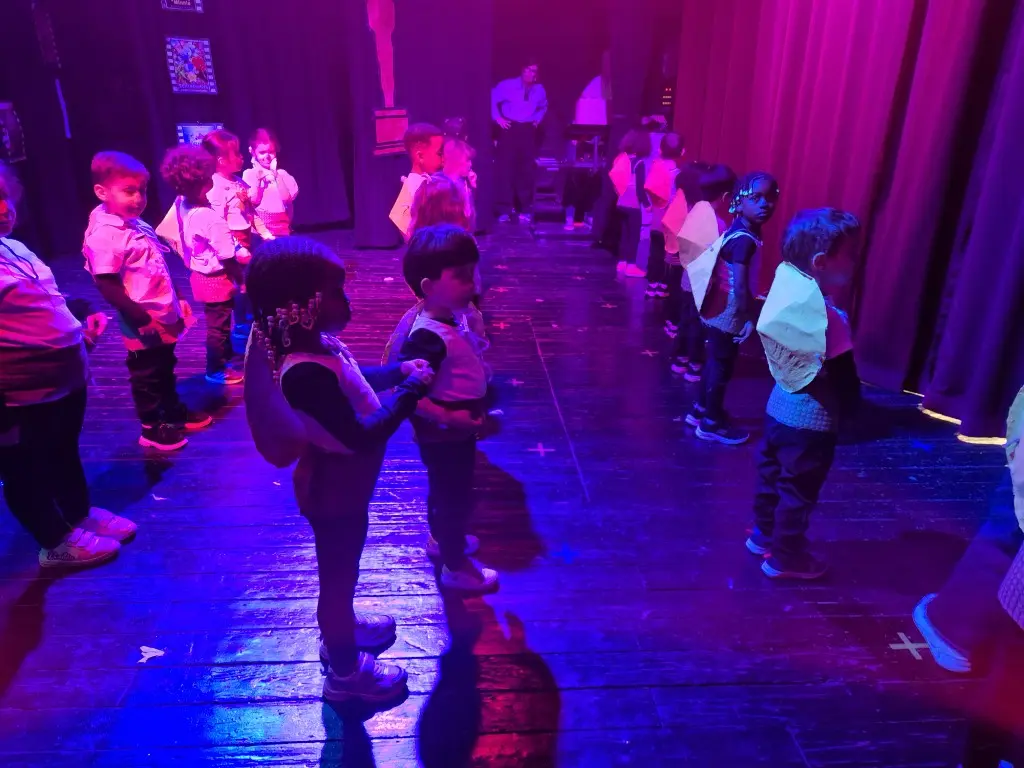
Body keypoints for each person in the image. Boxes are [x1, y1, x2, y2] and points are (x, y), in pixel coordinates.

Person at [245, 236, 434, 705]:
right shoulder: (304, 374)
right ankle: (345, 673)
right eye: (336, 291)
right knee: (337, 581)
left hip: (347, 489)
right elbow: (362, 435)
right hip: (334, 495)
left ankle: (343, 628)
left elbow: (351, 376)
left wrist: (399, 371)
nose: (346, 301)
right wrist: (410, 392)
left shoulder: (317, 350)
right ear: (303, 306)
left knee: (343, 574)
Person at [0, 162, 137, 567]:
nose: (3, 208)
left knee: (62, 449)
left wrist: (80, 317)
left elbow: (41, 297)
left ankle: (77, 513)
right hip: (19, 391)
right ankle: (54, 541)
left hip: (62, 377)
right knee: (24, 467)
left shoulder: (14, 247)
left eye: (3, 196)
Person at [746, 207, 861, 579]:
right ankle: (786, 556)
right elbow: (845, 379)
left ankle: (763, 534)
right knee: (799, 489)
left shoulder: (783, 296)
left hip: (777, 408)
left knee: (770, 475)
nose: (855, 261)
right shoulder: (830, 319)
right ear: (821, 262)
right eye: (851, 254)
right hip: (812, 422)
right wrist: (855, 415)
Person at [395, 225, 499, 593]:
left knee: (445, 489)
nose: (473, 283)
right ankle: (456, 568)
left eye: (473, 273)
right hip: (445, 431)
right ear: (429, 286)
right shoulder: (427, 335)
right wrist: (450, 417)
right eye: (462, 276)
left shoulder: (449, 316)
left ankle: (442, 540)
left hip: (453, 428)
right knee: (454, 496)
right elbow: (407, 394)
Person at [83, 151, 206, 451]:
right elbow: (106, 284)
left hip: (162, 310)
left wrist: (178, 297)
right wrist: (141, 319)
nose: (138, 198)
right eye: (129, 191)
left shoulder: (136, 224)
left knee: (164, 364)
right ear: (102, 192)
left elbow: (159, 266)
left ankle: (172, 411)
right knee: (145, 374)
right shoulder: (104, 234)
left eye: (142, 190)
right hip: (140, 318)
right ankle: (151, 428)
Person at [687, 171, 780, 445]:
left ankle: (701, 409)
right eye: (755, 198)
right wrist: (749, 317)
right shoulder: (744, 240)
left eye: (769, 198)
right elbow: (740, 286)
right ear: (738, 201)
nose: (764, 204)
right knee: (722, 366)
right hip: (729, 309)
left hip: (717, 305)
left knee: (715, 360)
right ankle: (711, 423)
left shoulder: (740, 229)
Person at [160, 145, 246, 386]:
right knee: (218, 326)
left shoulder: (181, 203)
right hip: (216, 279)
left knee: (218, 322)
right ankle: (216, 369)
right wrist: (242, 281)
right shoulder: (209, 218)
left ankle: (225, 356)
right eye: (209, 178)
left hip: (198, 275)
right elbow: (227, 256)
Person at [669, 162, 735, 382]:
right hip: (704, 284)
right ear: (725, 196)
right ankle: (695, 364)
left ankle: (680, 359)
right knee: (698, 325)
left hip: (687, 280)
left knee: (686, 321)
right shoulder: (718, 223)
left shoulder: (694, 214)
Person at [492, 60, 547, 224]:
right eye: (528, 70)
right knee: (505, 168)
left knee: (526, 170)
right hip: (510, 128)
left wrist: (537, 119)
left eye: (534, 71)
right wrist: (497, 118)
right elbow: (491, 98)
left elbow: (543, 106)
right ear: (522, 70)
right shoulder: (507, 85)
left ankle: (524, 208)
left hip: (527, 130)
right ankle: (504, 209)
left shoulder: (539, 89)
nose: (531, 74)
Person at [644, 132, 685, 298]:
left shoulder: (655, 169)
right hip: (672, 224)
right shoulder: (680, 175)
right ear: (682, 151)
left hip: (656, 221)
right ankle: (663, 286)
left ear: (660, 150)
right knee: (670, 256)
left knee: (655, 253)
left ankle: (651, 285)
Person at [389, 123, 444, 241]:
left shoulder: (434, 182)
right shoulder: (412, 189)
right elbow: (408, 233)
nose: (443, 160)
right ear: (420, 156)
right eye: (439, 154)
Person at [242, 127, 299, 238]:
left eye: (271, 151)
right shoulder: (250, 174)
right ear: (252, 152)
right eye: (262, 152)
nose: (267, 156)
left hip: (282, 230)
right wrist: (258, 180)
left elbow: (286, 199)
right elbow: (254, 200)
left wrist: (275, 174)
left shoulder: (282, 174)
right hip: (260, 232)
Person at [611, 129, 652, 278]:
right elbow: (640, 188)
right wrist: (647, 204)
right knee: (634, 235)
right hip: (633, 204)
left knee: (624, 233)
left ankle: (621, 262)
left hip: (620, 201)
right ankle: (631, 265)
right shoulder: (639, 163)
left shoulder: (622, 159)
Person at [442, 138, 478, 232]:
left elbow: (470, 216)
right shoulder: (444, 186)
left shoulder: (463, 183)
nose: (470, 164)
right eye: (467, 160)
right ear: (457, 161)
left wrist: (472, 187)